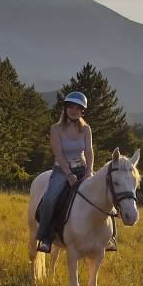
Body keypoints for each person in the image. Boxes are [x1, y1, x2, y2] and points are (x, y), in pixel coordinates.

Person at [35, 91, 94, 253]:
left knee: (105, 192)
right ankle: (45, 237)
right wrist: (68, 174)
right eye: (70, 107)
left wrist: (89, 172)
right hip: (62, 170)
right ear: (65, 109)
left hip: (82, 168)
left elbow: (89, 152)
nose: (74, 110)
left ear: (83, 110)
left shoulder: (86, 129)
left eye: (78, 107)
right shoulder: (56, 129)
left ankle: (109, 236)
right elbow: (58, 154)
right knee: (48, 201)